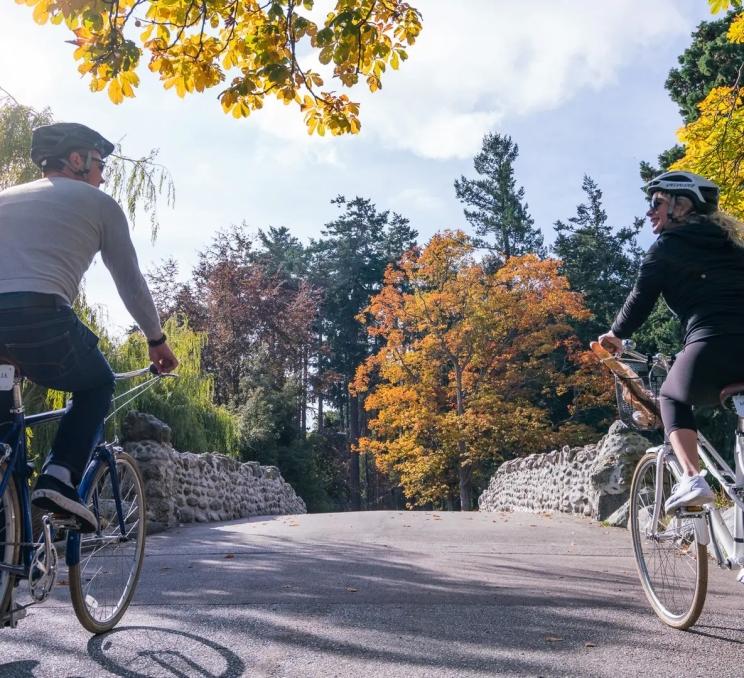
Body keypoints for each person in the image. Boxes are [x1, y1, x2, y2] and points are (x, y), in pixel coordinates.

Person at [0, 122, 178, 532]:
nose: (102, 175)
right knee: (96, 381)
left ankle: (10, 555)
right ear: (76, 160)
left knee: (5, 430)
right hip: (41, 316)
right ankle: (59, 476)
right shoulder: (100, 205)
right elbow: (129, 280)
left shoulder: (6, 196)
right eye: (99, 164)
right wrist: (156, 340)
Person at [598, 170, 744, 513]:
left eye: (656, 203)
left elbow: (641, 296)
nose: (650, 212)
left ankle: (692, 478)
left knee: (671, 396)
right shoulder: (736, 249)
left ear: (681, 205)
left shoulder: (668, 247)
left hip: (711, 344)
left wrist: (615, 334)